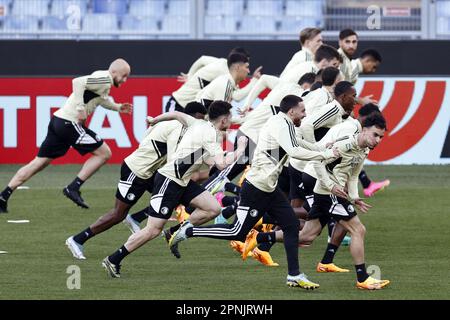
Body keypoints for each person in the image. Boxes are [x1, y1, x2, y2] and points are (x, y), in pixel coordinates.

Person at [168, 95, 339, 289]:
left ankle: (294, 275)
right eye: (302, 111)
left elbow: (298, 143)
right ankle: (189, 230)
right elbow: (295, 151)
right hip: (257, 187)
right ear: (292, 112)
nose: (305, 114)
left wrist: (321, 147)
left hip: (268, 187)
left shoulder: (284, 123)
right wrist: (325, 154)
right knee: (237, 232)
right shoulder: (281, 124)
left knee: (291, 225)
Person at [101, 101, 248, 278]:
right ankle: (114, 259)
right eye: (230, 118)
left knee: (213, 209)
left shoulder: (198, 124)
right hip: (168, 181)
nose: (231, 122)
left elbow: (176, 114)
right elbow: (221, 164)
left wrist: (154, 120)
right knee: (152, 230)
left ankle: (174, 232)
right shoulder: (209, 134)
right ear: (224, 120)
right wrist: (240, 148)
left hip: (182, 181)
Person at [250, 112, 390, 290]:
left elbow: (353, 176)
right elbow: (319, 162)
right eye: (375, 135)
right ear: (363, 130)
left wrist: (354, 197)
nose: (377, 140)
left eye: (381, 137)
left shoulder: (364, 150)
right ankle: (362, 278)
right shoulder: (346, 143)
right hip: (329, 193)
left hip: (330, 193)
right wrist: (330, 186)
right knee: (359, 230)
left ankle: (259, 237)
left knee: (306, 236)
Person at [65, 103, 207, 259]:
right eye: (200, 119)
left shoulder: (173, 125)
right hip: (136, 171)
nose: (201, 123)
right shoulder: (178, 128)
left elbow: (148, 135)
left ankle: (137, 219)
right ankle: (77, 239)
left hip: (152, 171)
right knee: (118, 214)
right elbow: (175, 158)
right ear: (191, 116)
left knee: (172, 195)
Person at [0, 59, 132, 213]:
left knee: (39, 163)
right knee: (104, 153)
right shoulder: (105, 79)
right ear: (114, 72)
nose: (124, 80)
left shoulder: (101, 78)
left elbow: (100, 99)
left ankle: (4, 196)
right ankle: (73, 187)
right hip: (70, 123)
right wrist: (80, 108)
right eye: (124, 76)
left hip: (58, 121)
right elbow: (77, 82)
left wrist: (117, 107)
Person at [166, 48, 262, 112]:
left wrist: (190, 75)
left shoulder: (222, 63)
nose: (247, 69)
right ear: (238, 64)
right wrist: (254, 80)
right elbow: (237, 96)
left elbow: (202, 59)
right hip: (178, 104)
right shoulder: (227, 74)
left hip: (190, 110)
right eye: (245, 64)